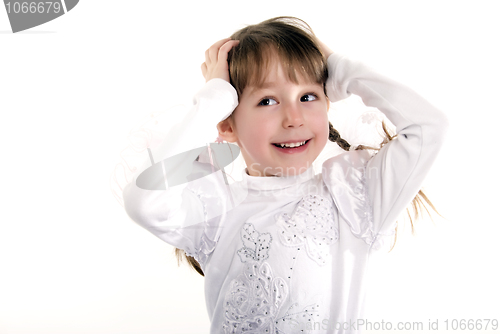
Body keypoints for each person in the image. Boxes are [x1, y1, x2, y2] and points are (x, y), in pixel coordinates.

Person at [122, 16, 448, 334]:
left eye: (308, 96)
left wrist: (340, 69)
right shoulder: (216, 210)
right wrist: (214, 99)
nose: (294, 118)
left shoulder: (355, 195)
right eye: (267, 100)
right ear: (227, 123)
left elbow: (428, 126)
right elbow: (144, 200)